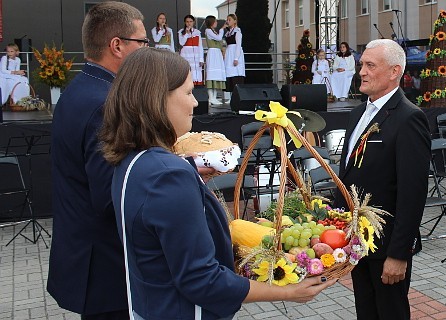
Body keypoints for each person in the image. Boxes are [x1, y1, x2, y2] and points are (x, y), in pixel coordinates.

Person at [97, 47, 335, 320]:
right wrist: (288, 292)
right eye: (187, 93)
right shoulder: (170, 176)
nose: (195, 103)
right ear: (157, 99)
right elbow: (202, 280)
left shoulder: (132, 161)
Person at [47, 3, 147, 318]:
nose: (146, 51)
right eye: (142, 43)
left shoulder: (81, 89)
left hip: (86, 256)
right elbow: (110, 195)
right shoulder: (105, 104)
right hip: (104, 266)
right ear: (117, 45)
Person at [336, 39, 431, 319]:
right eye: (361, 65)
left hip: (386, 246)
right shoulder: (357, 114)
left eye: (370, 65)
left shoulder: (409, 118)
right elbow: (351, 173)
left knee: (390, 313)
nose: (362, 72)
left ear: (394, 71)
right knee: (365, 310)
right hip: (357, 241)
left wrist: (399, 253)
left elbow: (413, 193)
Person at [204, 15, 226, 105]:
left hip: (217, 54)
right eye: (215, 21)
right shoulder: (208, 30)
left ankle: (214, 97)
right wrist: (222, 29)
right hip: (213, 53)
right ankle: (211, 97)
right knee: (211, 75)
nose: (216, 23)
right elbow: (219, 38)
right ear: (212, 22)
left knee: (216, 75)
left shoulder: (214, 31)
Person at [223, 13, 245, 104]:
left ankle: (237, 96)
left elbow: (238, 46)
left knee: (236, 75)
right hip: (229, 53)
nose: (228, 21)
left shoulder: (237, 32)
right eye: (227, 20)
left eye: (230, 20)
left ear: (235, 21)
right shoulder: (228, 32)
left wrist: (236, 58)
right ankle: (230, 96)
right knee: (229, 74)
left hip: (235, 53)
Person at [179, 14, 204, 86]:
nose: (189, 23)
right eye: (187, 21)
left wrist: (201, 59)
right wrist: (186, 34)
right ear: (185, 22)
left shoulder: (197, 32)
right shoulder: (181, 32)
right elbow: (181, 43)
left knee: (195, 72)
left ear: (193, 22)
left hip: (195, 55)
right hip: (186, 54)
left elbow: (200, 46)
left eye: (190, 21)